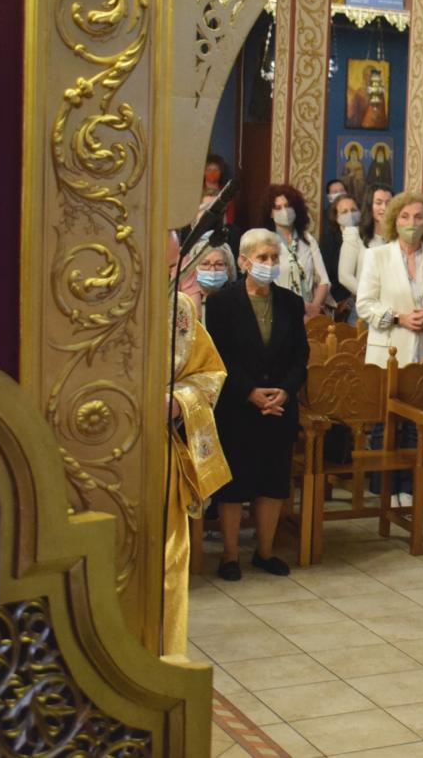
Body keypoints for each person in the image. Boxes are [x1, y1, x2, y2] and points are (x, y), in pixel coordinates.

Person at [205, 229, 310, 581]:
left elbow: (300, 356)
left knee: (273, 481)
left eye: (274, 258)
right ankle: (230, 555)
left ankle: (265, 552)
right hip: (238, 405)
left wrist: (285, 391)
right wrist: (250, 391)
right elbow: (220, 356)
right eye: (262, 257)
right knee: (235, 484)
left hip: (279, 405)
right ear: (244, 261)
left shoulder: (291, 302)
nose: (269, 263)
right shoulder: (222, 303)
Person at [164, 289, 230, 655]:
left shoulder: (179, 308)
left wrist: (178, 402)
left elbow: (209, 372)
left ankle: (165, 657)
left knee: (165, 560)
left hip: (157, 454)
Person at [355, 190, 423, 368]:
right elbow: (364, 304)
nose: (412, 223)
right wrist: (399, 318)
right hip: (387, 354)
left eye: (418, 217)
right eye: (404, 216)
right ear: (395, 221)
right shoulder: (376, 256)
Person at [265, 184, 330, 321]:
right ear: (270, 213)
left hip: (310, 316)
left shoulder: (308, 239)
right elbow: (265, 285)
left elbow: (324, 281)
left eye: (288, 206)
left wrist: (314, 309)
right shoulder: (266, 242)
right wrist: (300, 306)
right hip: (279, 313)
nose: (284, 211)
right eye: (278, 208)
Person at [342, 184, 393, 322]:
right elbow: (344, 275)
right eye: (378, 203)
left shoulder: (397, 238)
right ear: (370, 205)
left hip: (390, 309)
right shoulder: (355, 234)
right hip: (364, 308)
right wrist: (369, 296)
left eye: (388, 203)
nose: (384, 208)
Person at [322, 194, 361, 321]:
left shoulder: (366, 237)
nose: (350, 214)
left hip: (362, 301)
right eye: (344, 212)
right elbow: (326, 277)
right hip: (338, 305)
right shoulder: (329, 241)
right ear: (336, 217)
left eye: (353, 210)